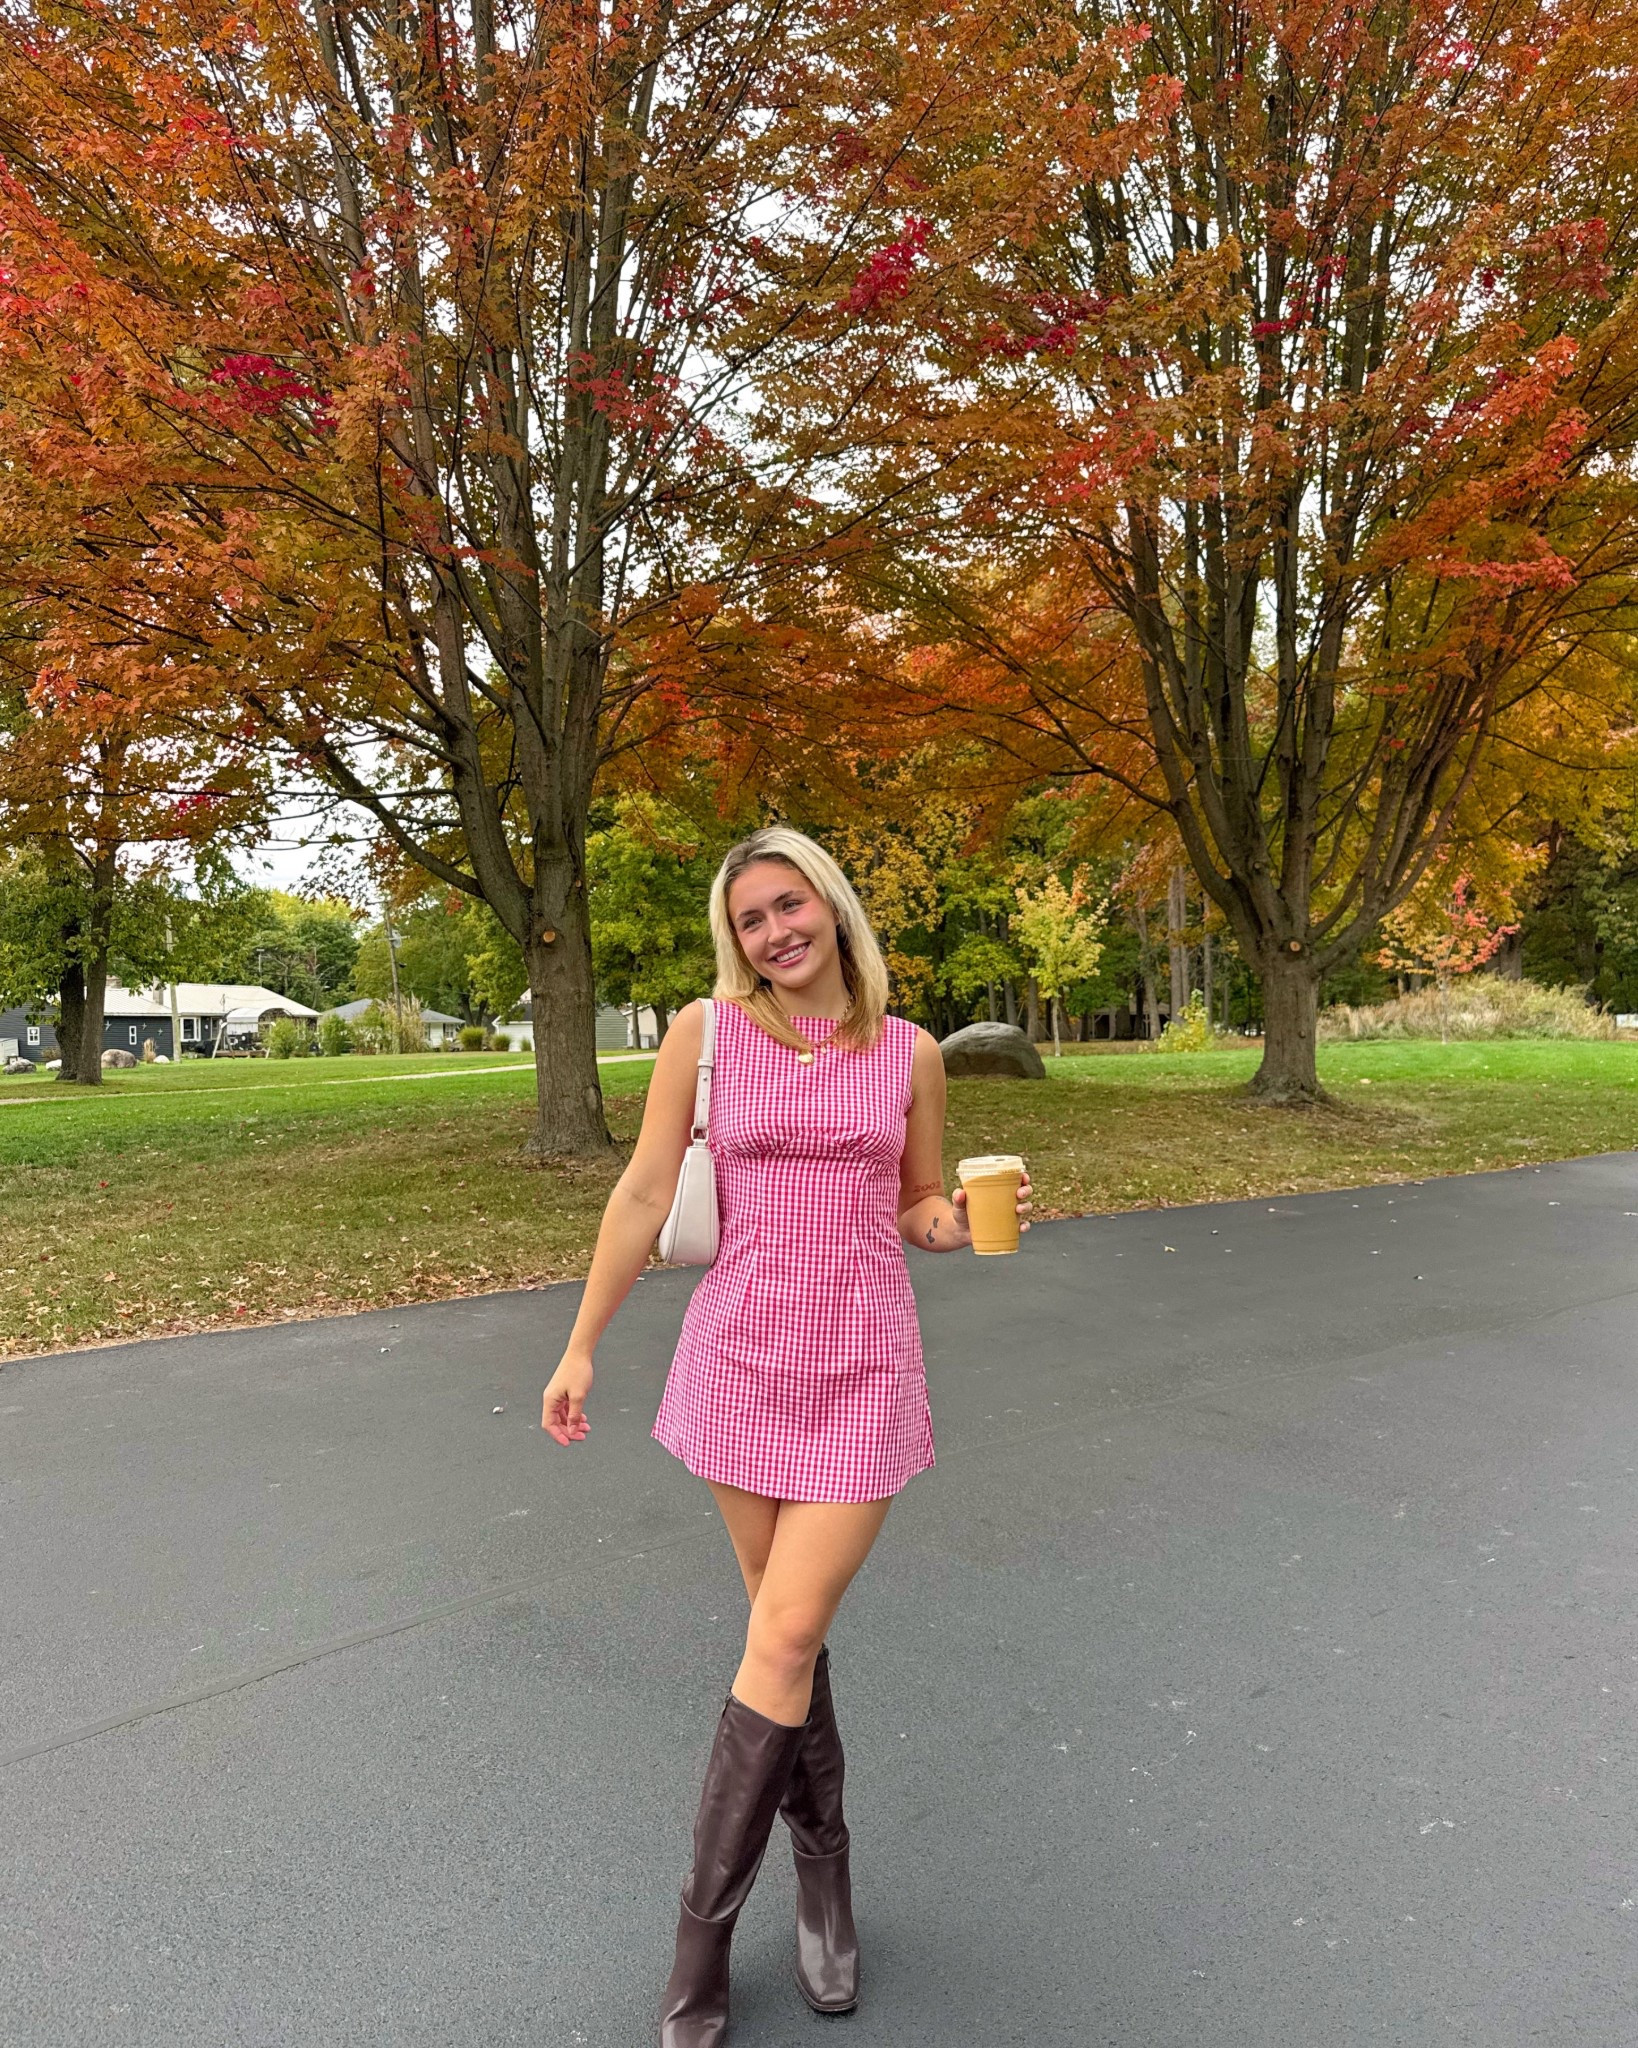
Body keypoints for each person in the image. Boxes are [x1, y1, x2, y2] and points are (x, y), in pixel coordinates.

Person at [540, 825, 1032, 2046]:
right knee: (783, 1632)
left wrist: (956, 1223)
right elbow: (647, 1190)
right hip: (739, 1359)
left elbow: (917, 1197)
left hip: (864, 1362)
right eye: (750, 918)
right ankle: (824, 1873)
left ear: (830, 904)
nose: (774, 932)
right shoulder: (704, 1038)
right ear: (736, 939)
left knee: (791, 1625)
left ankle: (696, 1945)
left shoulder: (911, 1052)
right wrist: (581, 1339)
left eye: (788, 903)